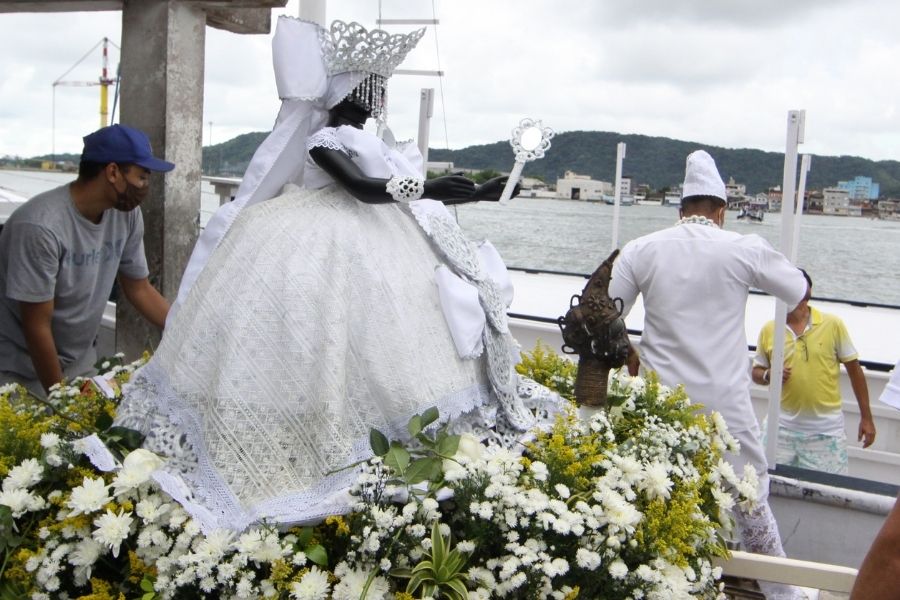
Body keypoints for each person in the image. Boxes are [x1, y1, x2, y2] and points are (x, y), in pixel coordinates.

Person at [113, 17, 559, 533]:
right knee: (312, 326)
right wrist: (435, 188)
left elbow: (397, 185)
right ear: (352, 87)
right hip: (323, 236)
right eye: (375, 85)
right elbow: (365, 189)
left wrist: (480, 191)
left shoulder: (377, 141)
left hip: (379, 238)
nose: (380, 96)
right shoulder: (324, 138)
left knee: (392, 331)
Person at [608, 150, 809, 600]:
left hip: (662, 402)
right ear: (721, 210)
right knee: (749, 497)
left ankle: (651, 583)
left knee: (656, 491)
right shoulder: (743, 247)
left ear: (680, 210)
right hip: (726, 402)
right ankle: (782, 594)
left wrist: (631, 355)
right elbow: (798, 290)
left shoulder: (642, 248)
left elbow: (605, 316)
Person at [0, 124, 173, 398]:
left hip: (80, 366)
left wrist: (187, 329)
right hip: (19, 373)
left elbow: (139, 289)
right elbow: (37, 327)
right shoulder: (40, 227)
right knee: (45, 440)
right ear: (113, 172)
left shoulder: (125, 215)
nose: (145, 186)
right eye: (142, 176)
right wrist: (64, 400)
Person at [752, 269, 875, 474]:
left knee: (831, 490)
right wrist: (769, 375)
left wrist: (867, 418)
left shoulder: (832, 324)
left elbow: (854, 371)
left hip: (825, 434)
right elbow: (756, 371)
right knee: (764, 483)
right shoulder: (769, 329)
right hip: (779, 429)